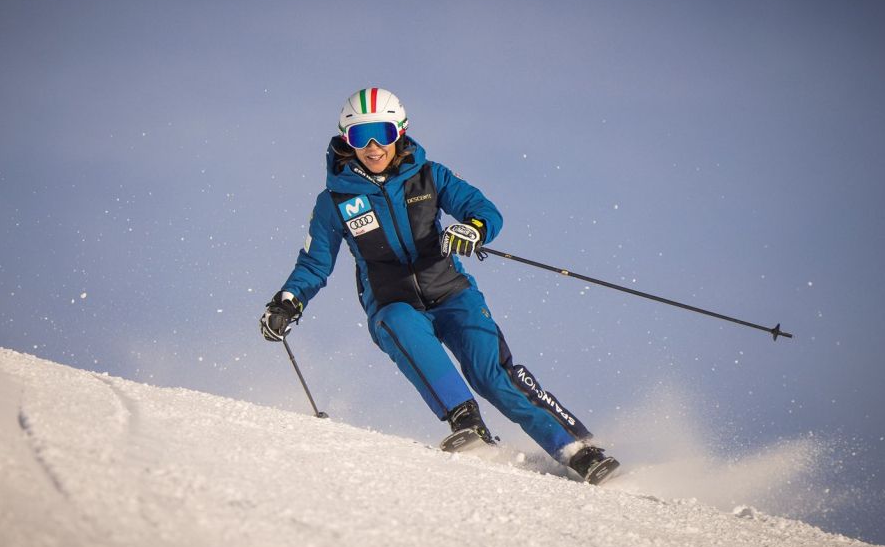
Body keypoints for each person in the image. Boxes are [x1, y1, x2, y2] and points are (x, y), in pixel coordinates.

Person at [259, 87, 619, 484]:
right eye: (361, 136)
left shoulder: (430, 175)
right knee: (398, 322)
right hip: (392, 300)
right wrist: (288, 302)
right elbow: (315, 261)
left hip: (452, 292)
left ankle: (576, 448)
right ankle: (466, 420)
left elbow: (482, 210)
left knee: (491, 374)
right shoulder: (336, 200)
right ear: (347, 141)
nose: (374, 147)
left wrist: (474, 230)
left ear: (400, 132)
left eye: (382, 133)